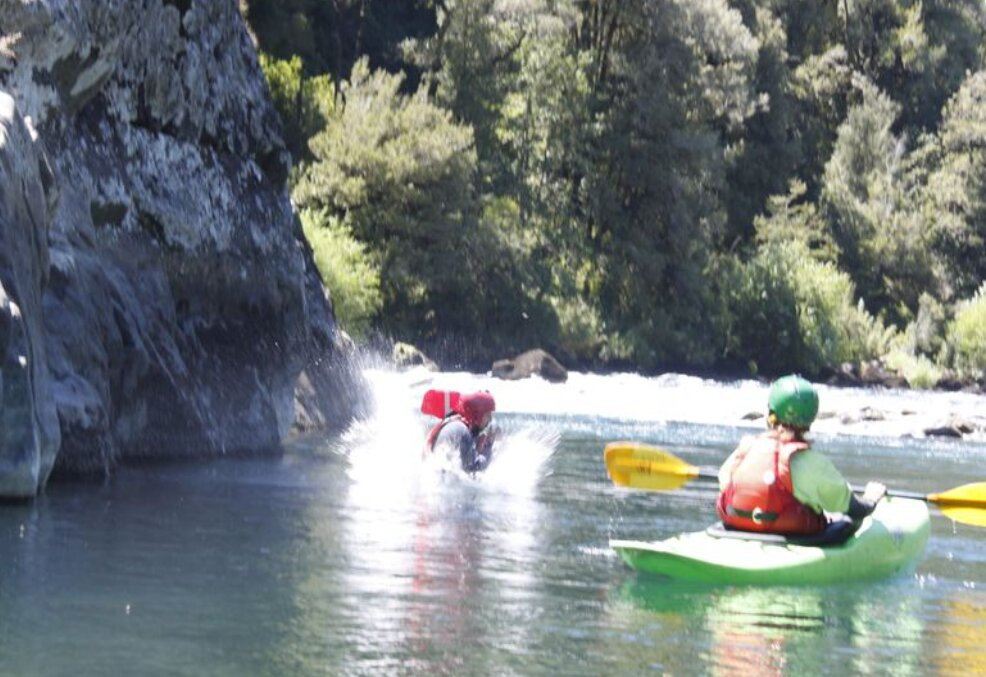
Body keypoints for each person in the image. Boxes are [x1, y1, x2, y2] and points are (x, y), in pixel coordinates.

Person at [716, 375, 886, 536]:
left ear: (771, 414)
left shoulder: (746, 449)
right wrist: (871, 499)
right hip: (792, 536)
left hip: (737, 528)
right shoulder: (813, 463)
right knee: (847, 521)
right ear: (811, 419)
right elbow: (853, 508)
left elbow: (724, 482)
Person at [424, 391, 497, 473]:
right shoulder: (463, 432)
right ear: (477, 415)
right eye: (487, 415)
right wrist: (488, 446)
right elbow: (474, 470)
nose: (490, 419)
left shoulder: (454, 422)